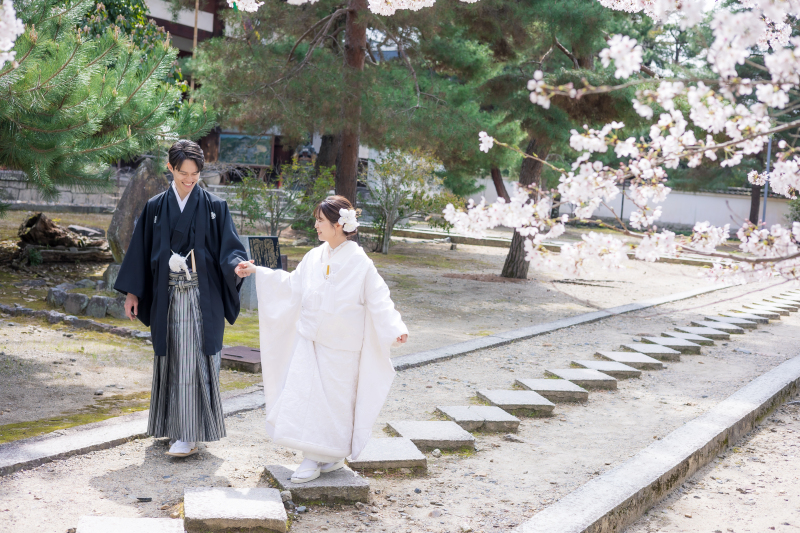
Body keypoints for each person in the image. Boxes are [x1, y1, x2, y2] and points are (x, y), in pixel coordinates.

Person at [235, 195, 408, 483]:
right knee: (307, 398)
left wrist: (394, 328)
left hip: (342, 346)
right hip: (310, 340)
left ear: (339, 225)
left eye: (320, 221)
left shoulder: (360, 262)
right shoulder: (314, 256)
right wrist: (258, 271)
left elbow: (379, 298)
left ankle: (327, 455)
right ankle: (313, 456)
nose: (316, 225)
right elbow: (291, 285)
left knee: (336, 403)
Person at [115, 140, 247, 457]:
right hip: (167, 295)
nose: (189, 180)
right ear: (170, 168)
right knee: (170, 359)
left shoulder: (215, 207)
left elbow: (230, 249)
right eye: (183, 173)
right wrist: (133, 292)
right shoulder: (155, 207)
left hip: (202, 297)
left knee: (191, 360)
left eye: (195, 174)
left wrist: (237, 267)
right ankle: (173, 426)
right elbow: (141, 251)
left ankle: (188, 435)